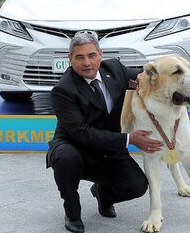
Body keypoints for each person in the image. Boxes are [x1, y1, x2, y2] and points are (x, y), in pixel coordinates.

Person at [46, 31, 163, 233]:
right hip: (75, 148)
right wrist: (129, 139)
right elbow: (82, 133)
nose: (87, 63)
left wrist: (155, 75)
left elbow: (141, 75)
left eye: (92, 55)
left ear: (100, 54)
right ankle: (72, 213)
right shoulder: (62, 90)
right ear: (70, 59)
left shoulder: (114, 68)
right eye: (79, 57)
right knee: (66, 158)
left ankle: (103, 194)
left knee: (137, 185)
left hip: (109, 149)